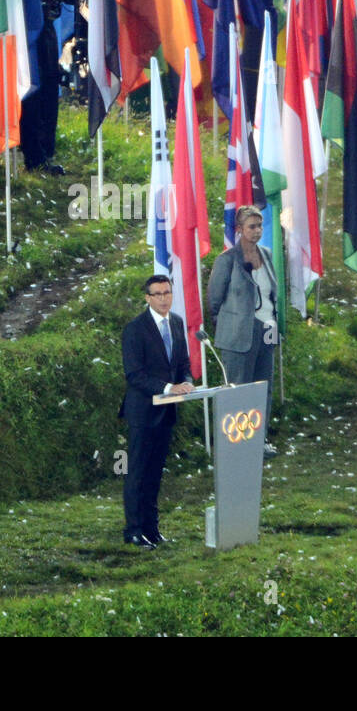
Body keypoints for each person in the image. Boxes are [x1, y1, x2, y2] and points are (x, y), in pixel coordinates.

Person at [119, 275, 192, 549]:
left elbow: (182, 362)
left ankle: (152, 528)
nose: (163, 298)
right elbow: (134, 374)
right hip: (142, 412)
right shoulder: (135, 329)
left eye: (167, 292)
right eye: (157, 294)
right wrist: (167, 386)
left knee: (155, 473)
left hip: (166, 412)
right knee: (137, 471)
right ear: (147, 298)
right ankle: (134, 530)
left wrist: (186, 381)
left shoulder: (176, 323)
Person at [206, 206, 279, 455]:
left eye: (259, 226)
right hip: (238, 334)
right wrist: (231, 325)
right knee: (239, 389)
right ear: (239, 230)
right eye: (252, 227)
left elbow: (273, 293)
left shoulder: (267, 255)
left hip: (267, 329)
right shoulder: (227, 259)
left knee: (263, 387)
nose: (257, 231)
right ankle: (237, 443)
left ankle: (259, 439)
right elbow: (215, 300)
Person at [20, 0, 68, 174]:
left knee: (51, 86)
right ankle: (33, 156)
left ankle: (47, 152)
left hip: (48, 27)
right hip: (25, 31)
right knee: (32, 92)